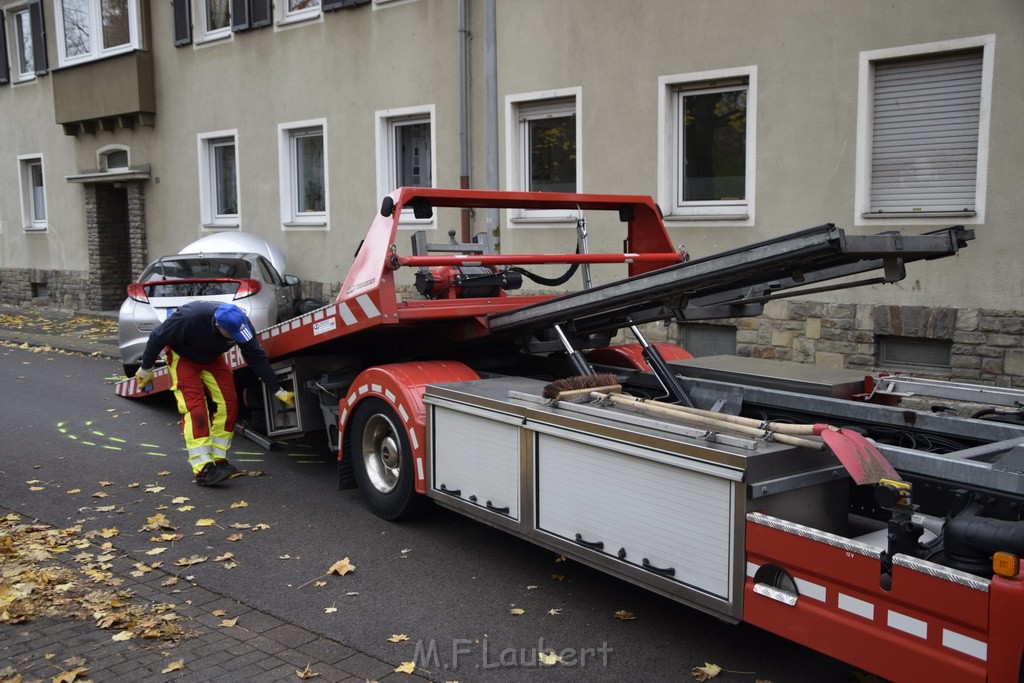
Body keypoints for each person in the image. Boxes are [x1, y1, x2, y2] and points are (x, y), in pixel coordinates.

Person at [134, 301, 295, 486]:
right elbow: (157, 337)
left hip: (212, 359)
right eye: (232, 336)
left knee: (230, 405)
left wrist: (278, 389)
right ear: (217, 325)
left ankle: (219, 460)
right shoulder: (190, 318)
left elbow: (256, 357)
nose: (237, 339)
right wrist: (146, 368)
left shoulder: (241, 324)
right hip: (182, 357)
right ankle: (203, 468)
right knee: (196, 410)